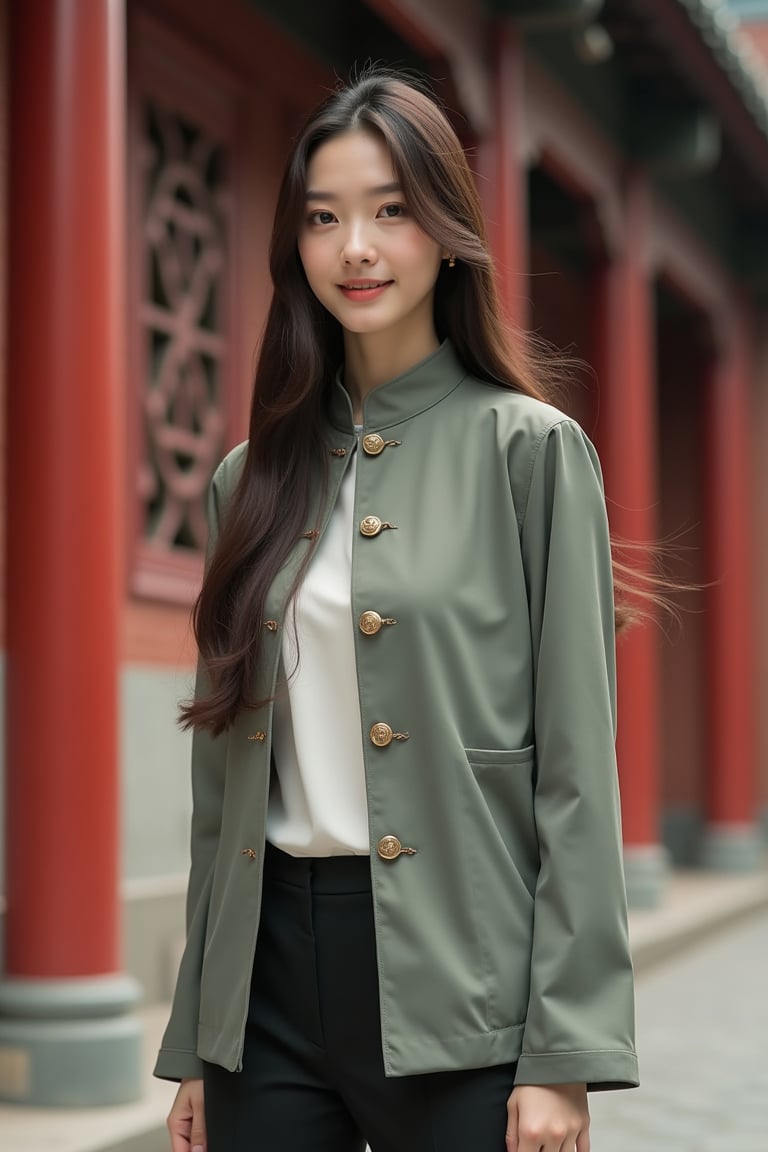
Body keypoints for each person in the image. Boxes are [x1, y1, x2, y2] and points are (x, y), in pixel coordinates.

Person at [155, 67, 639, 1152]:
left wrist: (563, 1053)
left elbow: (574, 773)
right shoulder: (250, 479)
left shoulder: (532, 453)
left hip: (464, 983)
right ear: (296, 248)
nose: (356, 248)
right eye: (324, 219)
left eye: (389, 211)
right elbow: (219, 795)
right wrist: (198, 1040)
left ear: (446, 230)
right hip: (269, 987)